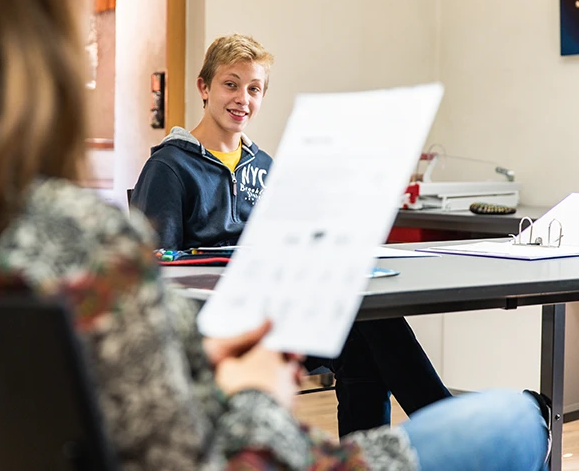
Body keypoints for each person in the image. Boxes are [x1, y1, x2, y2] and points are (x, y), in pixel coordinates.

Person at [0, 0, 551, 470]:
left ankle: (403, 413)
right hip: (244, 416)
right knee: (518, 415)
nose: (243, 99)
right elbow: (207, 441)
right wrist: (251, 389)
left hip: (233, 341)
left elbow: (140, 389)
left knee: (370, 331)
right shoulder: (95, 225)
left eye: (255, 88)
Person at [131, 34, 452, 436]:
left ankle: (390, 444)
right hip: (215, 322)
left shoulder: (266, 166)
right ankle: (446, 421)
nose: (242, 99)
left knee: (366, 315)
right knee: (364, 326)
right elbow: (155, 269)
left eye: (254, 89)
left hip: (275, 308)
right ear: (204, 87)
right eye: (230, 84)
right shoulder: (169, 167)